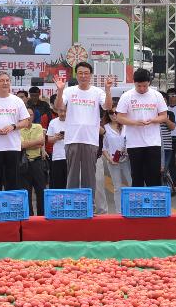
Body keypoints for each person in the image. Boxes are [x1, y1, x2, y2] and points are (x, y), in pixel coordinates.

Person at [55, 62, 113, 198]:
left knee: (89, 177)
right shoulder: (69, 91)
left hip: (90, 140)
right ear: (76, 74)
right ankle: (72, 206)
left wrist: (108, 90)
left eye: (86, 73)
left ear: (90, 75)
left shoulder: (98, 92)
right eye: (80, 73)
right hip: (72, 139)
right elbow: (59, 106)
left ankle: (89, 206)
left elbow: (107, 106)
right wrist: (60, 90)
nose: (83, 76)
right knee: (72, 176)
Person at [114, 68, 167, 187]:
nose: (142, 89)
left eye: (145, 86)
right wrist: (134, 122)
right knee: (137, 176)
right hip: (134, 143)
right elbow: (119, 118)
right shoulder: (127, 96)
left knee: (154, 176)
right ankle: (138, 204)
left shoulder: (156, 95)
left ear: (149, 83)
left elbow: (164, 116)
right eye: (139, 86)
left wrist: (153, 120)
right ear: (134, 83)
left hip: (153, 142)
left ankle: (154, 203)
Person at [101, 110, 130, 213]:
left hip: (127, 160)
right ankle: (119, 211)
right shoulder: (106, 128)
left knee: (132, 184)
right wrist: (109, 159)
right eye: (111, 113)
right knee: (117, 187)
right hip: (113, 160)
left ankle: (132, 208)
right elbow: (103, 147)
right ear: (108, 114)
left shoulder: (126, 126)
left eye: (116, 112)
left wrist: (127, 150)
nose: (114, 115)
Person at [20, 107, 47, 215]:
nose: (28, 117)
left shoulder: (38, 126)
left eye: (30, 115)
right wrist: (35, 143)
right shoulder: (18, 129)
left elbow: (41, 142)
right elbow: (21, 145)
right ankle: (29, 217)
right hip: (24, 163)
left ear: (33, 116)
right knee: (26, 192)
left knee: (41, 190)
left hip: (37, 162)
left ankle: (42, 215)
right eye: (26, 115)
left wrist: (28, 144)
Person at [46, 106, 68, 189]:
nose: (63, 113)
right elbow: (49, 140)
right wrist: (56, 137)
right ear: (57, 111)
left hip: (70, 157)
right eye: (61, 111)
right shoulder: (53, 122)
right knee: (58, 183)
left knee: (69, 183)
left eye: (65, 111)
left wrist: (67, 136)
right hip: (57, 157)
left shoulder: (72, 122)